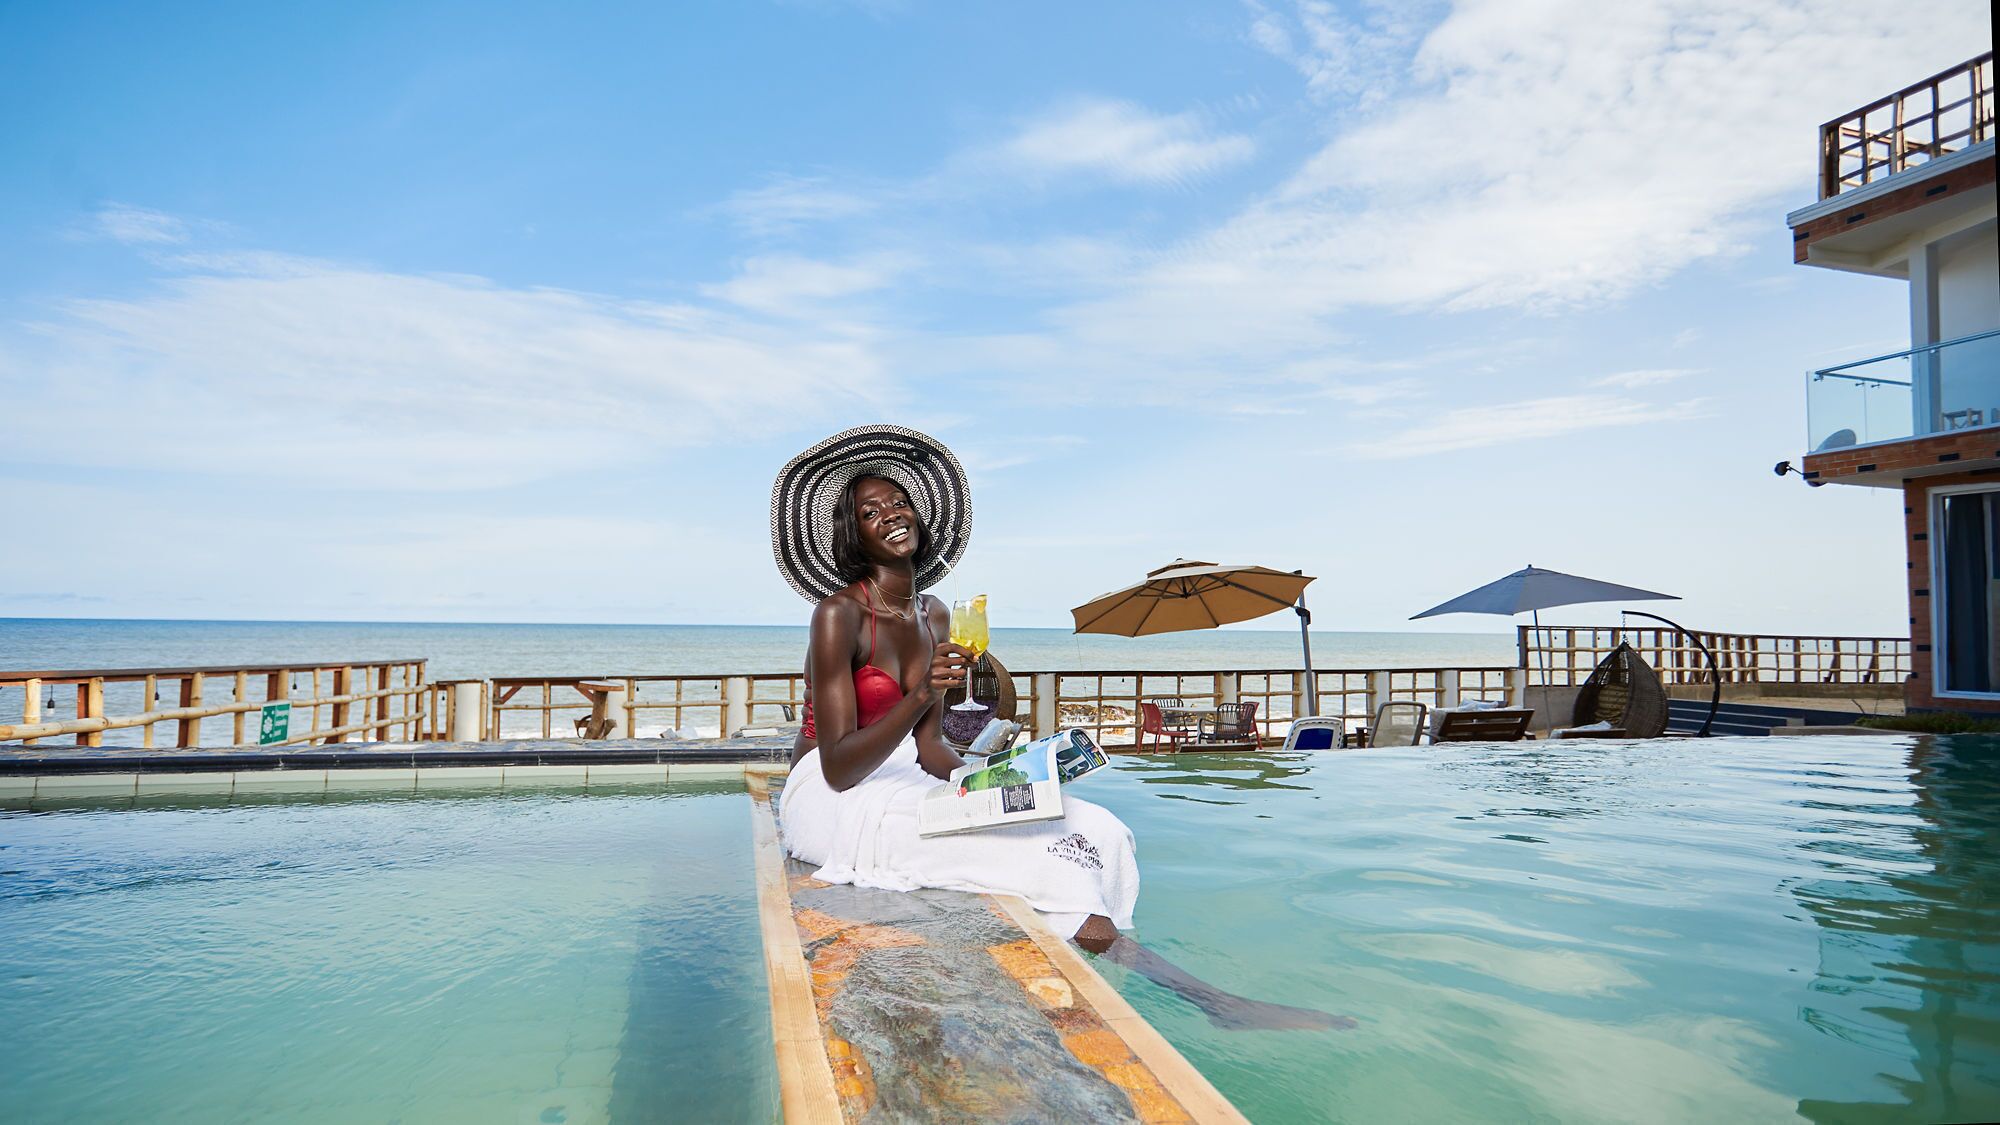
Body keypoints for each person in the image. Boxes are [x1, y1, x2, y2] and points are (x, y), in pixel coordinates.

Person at [771, 425, 1346, 1031]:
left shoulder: (934, 613)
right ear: (853, 535)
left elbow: (931, 746)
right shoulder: (837, 614)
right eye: (870, 511)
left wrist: (985, 780)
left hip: (908, 776)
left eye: (898, 500)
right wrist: (919, 694)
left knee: (1090, 824)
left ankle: (1136, 981)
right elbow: (837, 765)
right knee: (1039, 858)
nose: (891, 514)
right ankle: (1212, 1002)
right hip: (834, 794)